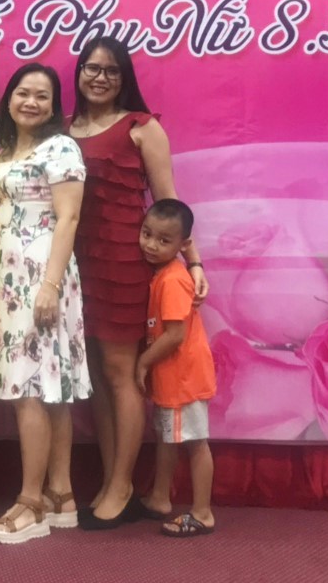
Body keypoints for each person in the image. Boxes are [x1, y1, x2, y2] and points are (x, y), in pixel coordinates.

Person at [66, 37, 209, 530]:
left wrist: (194, 262)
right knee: (98, 379)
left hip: (124, 264)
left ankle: (123, 486)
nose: (100, 77)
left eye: (111, 70)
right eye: (92, 68)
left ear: (124, 78)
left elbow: (170, 206)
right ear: (79, 73)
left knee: (121, 375)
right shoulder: (64, 131)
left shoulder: (143, 128)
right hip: (76, 266)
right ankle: (112, 480)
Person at [0, 63, 92, 545]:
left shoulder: (61, 147)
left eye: (42, 96)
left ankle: (30, 504)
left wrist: (49, 285)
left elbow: (68, 219)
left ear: (53, 106)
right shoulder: (5, 151)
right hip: (7, 277)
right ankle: (60, 494)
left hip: (40, 276)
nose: (31, 102)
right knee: (50, 389)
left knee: (30, 386)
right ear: (8, 99)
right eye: (23, 93)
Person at [134, 199, 217, 538]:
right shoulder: (162, 274)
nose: (151, 245)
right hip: (172, 378)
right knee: (167, 439)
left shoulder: (172, 279)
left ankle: (202, 513)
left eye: (164, 240)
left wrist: (143, 362)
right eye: (146, 234)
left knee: (195, 442)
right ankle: (159, 497)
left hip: (184, 379)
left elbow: (175, 334)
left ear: (184, 245)